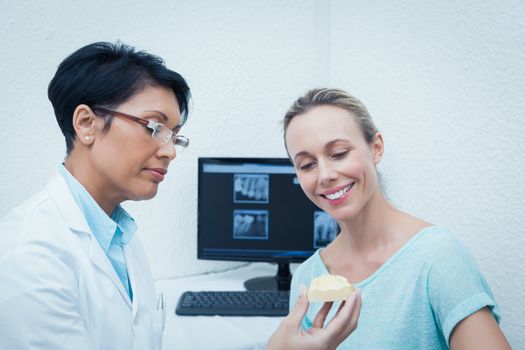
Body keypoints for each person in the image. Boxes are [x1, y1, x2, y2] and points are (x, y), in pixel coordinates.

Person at [0, 42, 361, 350]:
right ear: (86, 124)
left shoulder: (119, 236)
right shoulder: (30, 257)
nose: (170, 151)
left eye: (175, 136)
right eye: (156, 128)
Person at [283, 88, 511, 349]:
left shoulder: (437, 257)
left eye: (339, 154)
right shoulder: (306, 279)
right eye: (307, 165)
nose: (325, 175)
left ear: (376, 148)